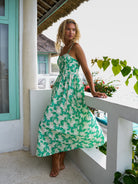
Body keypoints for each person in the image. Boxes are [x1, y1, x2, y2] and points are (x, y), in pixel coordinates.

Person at [36, 19, 107, 177]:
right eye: (68, 29)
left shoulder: (76, 47)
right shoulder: (62, 49)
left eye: (73, 30)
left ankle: (57, 160)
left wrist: (94, 91)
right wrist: (56, 85)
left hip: (72, 92)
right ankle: (59, 160)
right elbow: (63, 72)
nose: (71, 32)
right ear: (62, 31)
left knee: (64, 125)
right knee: (54, 124)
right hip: (60, 91)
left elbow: (86, 70)